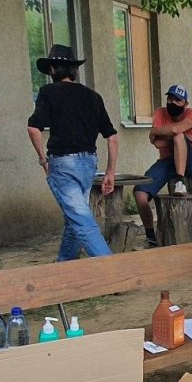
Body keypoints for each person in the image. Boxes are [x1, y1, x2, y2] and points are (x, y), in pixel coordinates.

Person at [27, 44, 118, 261]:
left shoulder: (48, 93)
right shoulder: (93, 96)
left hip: (62, 163)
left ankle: (114, 269)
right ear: (73, 71)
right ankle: (64, 265)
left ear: (52, 70)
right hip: (88, 163)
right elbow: (112, 137)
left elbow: (33, 128)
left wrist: (43, 160)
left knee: (80, 219)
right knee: (74, 217)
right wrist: (110, 172)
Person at [134, 84, 192, 247]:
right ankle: (150, 236)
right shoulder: (159, 112)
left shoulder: (191, 114)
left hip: (189, 161)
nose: (172, 102)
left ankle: (180, 181)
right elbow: (156, 142)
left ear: (185, 104)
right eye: (170, 98)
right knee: (140, 193)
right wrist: (181, 135)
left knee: (178, 137)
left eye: (177, 100)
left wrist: (162, 132)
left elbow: (174, 130)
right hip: (167, 161)